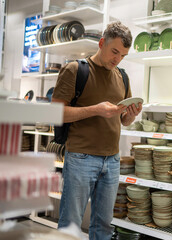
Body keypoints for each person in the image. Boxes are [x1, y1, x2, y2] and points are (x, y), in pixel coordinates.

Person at [52, 21, 141, 240]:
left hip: (112, 161)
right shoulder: (75, 70)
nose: (117, 59)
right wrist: (96, 110)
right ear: (102, 43)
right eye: (114, 52)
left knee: (104, 226)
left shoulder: (123, 76)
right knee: (70, 224)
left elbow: (124, 121)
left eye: (123, 55)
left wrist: (132, 114)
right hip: (81, 158)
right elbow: (56, 113)